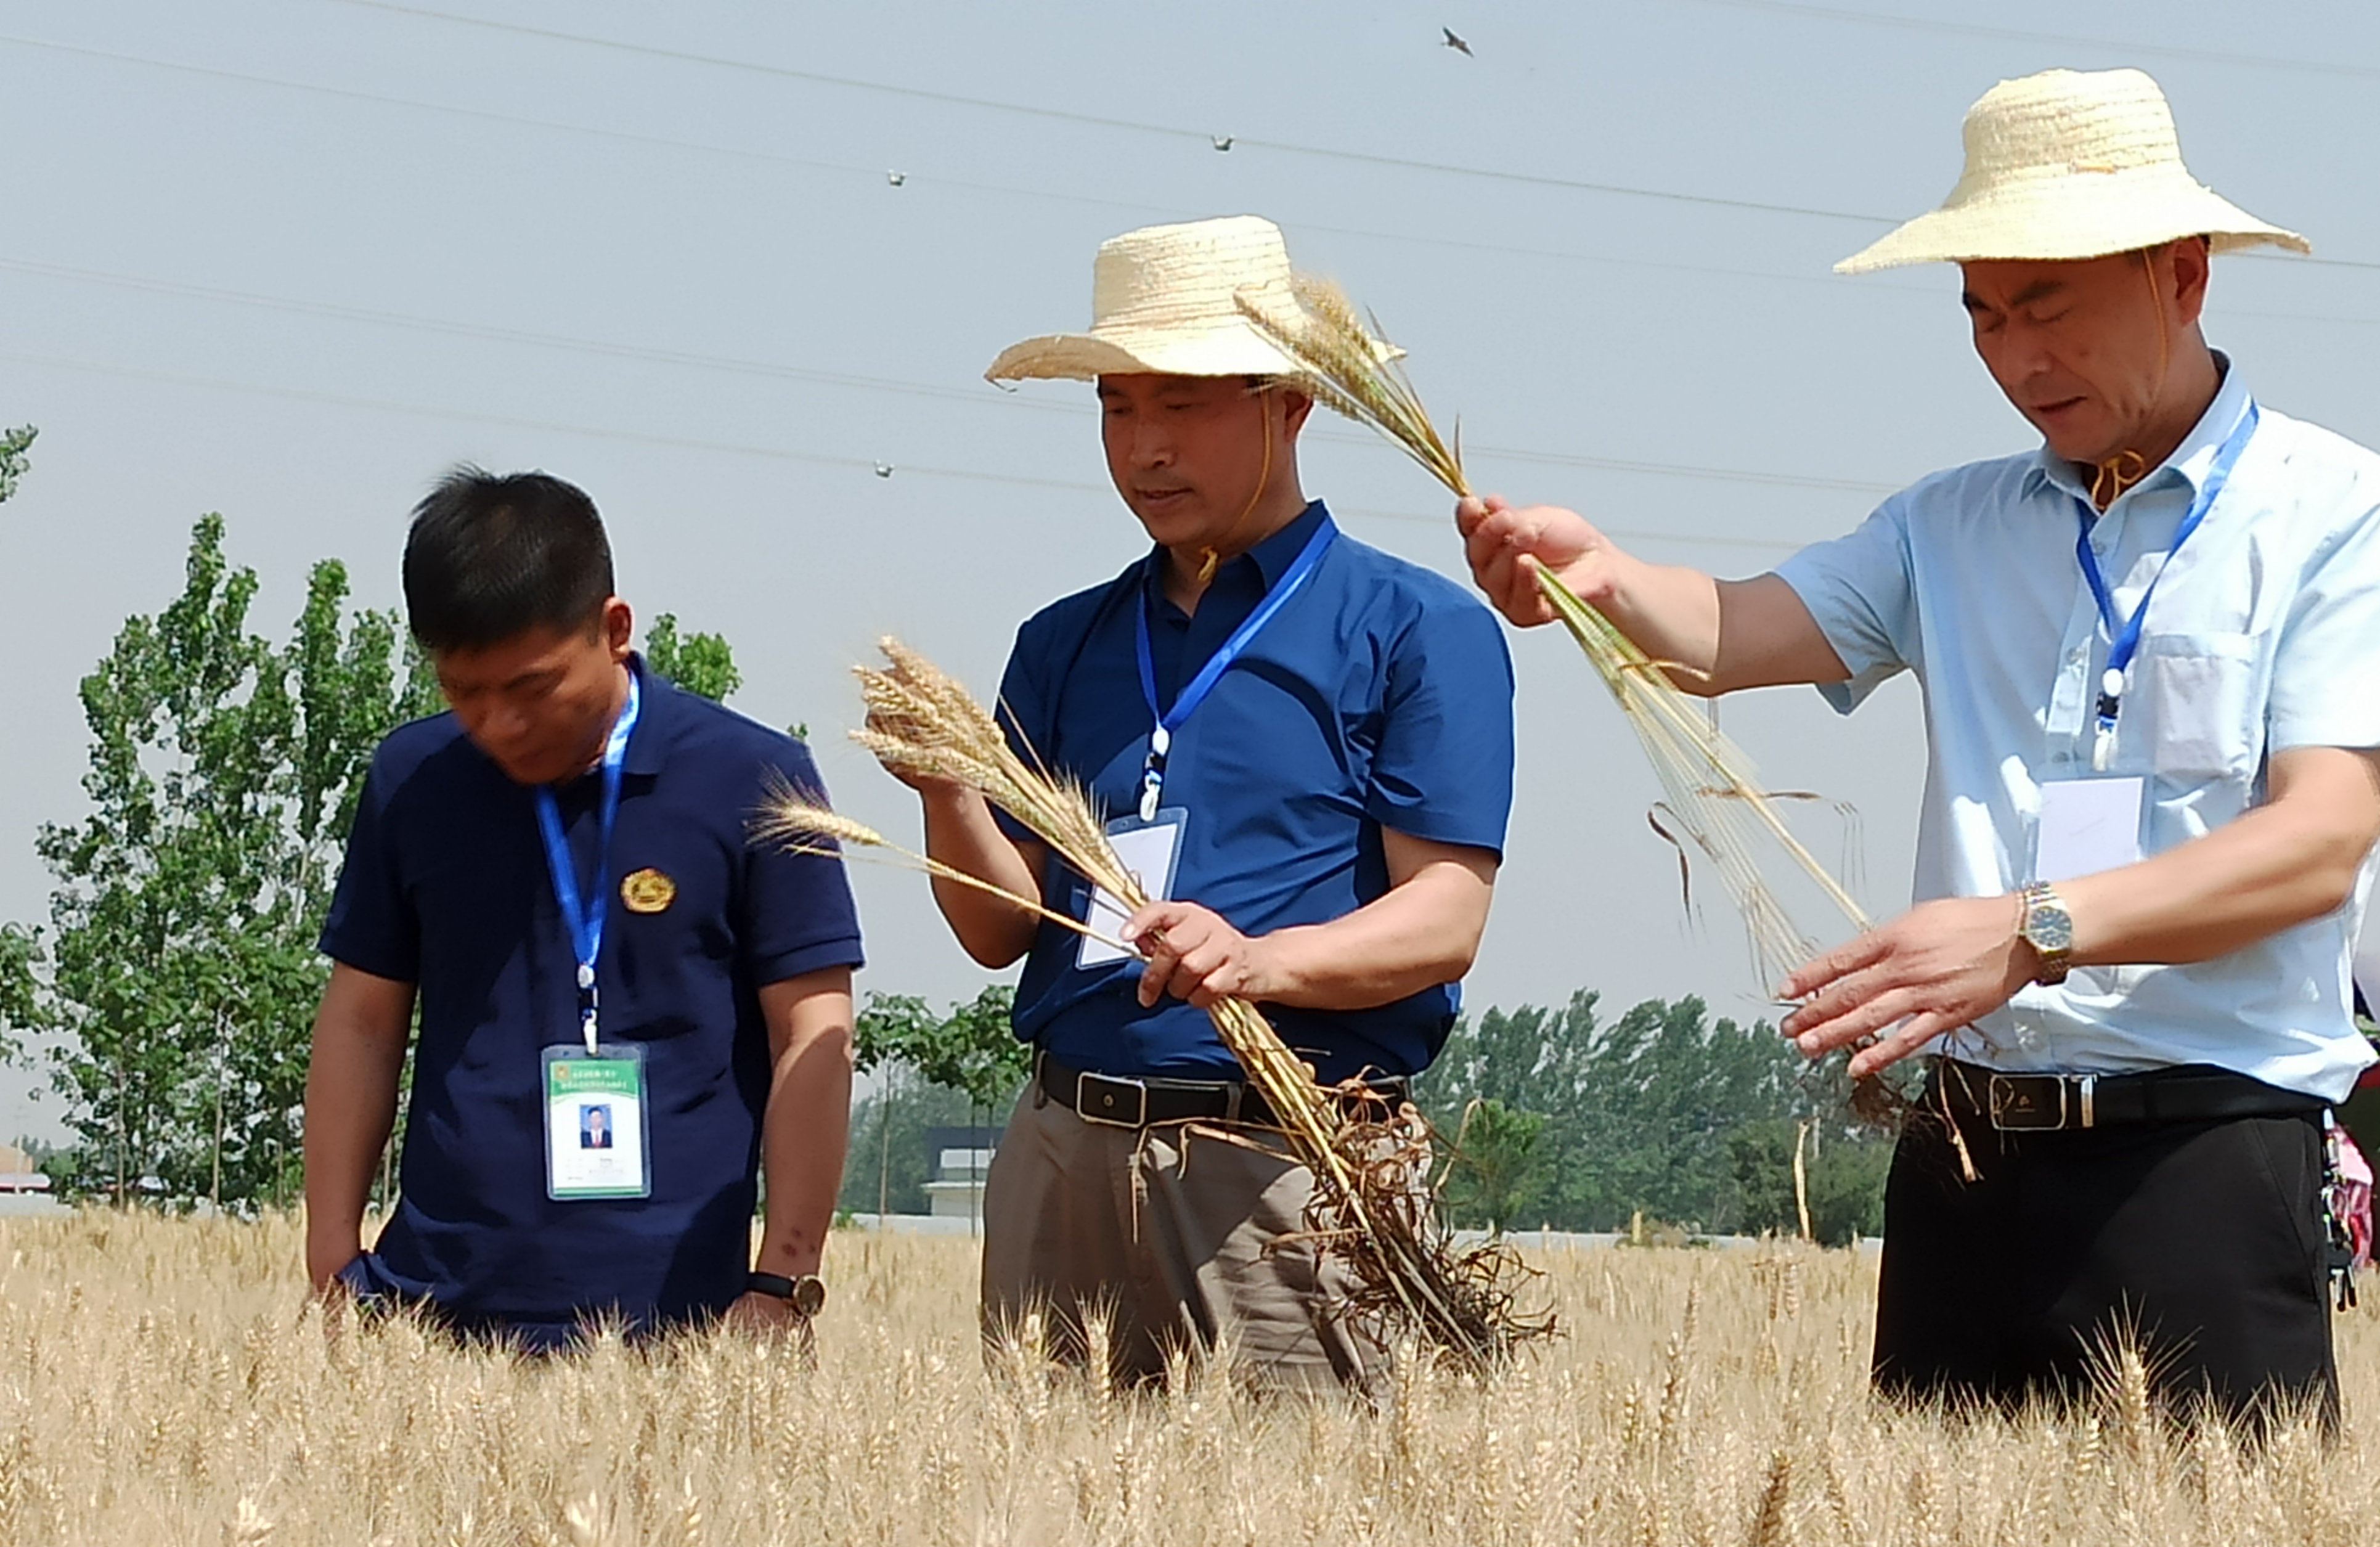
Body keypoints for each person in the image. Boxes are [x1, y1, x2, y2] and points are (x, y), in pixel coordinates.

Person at [1461, 70, 2380, 1436]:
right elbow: (1731, 632)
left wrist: (2029, 928)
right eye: (1983, 316)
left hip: (2202, 1161)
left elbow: (2316, 842)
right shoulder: (1946, 524)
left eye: (2046, 306)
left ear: (2182, 276)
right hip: (1965, 1164)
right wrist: (1598, 581)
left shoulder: (2348, 518)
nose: (2015, 356)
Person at [885, 215, 1514, 1392]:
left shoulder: (1414, 627)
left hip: (1286, 1160)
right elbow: (998, 930)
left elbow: (1446, 918)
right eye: (1119, 410)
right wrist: (946, 790)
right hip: (1065, 1150)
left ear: (1290, 406)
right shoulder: (1066, 642)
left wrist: (1256, 963)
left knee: (1302, 1529)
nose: (1145, 449)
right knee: (1038, 1541)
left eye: (1183, 406)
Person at [304, 468, 861, 1347]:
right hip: (431, 1313)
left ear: (614, 629)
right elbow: (363, 1024)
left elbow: (814, 1031)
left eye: (530, 688)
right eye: (463, 691)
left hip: (688, 1322)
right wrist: (333, 1256)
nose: (498, 725)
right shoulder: (413, 781)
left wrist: (783, 1276)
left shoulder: (754, 779)